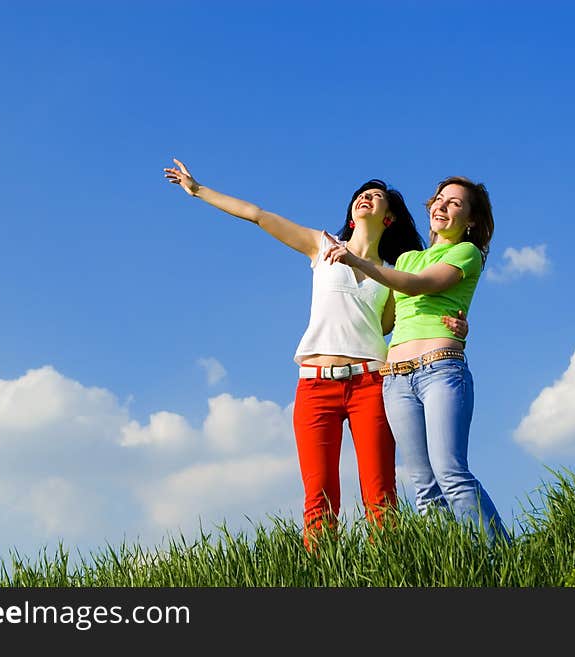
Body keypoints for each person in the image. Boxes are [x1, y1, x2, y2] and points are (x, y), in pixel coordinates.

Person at [162, 159, 468, 548]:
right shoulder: (321, 246)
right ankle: (319, 574)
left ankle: (389, 572)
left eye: (375, 198)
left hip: (371, 384)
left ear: (388, 219)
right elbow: (257, 216)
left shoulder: (391, 273)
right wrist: (198, 190)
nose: (365, 199)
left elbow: (414, 316)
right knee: (319, 498)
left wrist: (459, 326)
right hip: (314, 387)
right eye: (361, 195)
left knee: (381, 495)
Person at [323, 175, 510, 543]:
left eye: (455, 203)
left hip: (440, 370)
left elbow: (419, 285)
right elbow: (385, 319)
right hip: (396, 379)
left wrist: (358, 262)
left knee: (451, 474)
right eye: (440, 199)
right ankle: (451, 571)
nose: (442, 206)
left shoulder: (465, 253)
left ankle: (502, 561)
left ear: (470, 220)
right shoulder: (407, 257)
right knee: (424, 487)